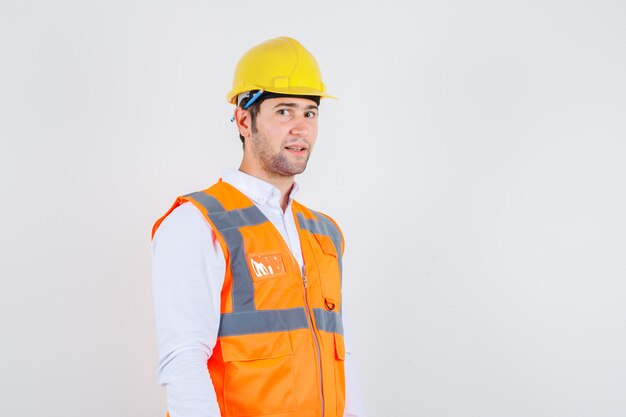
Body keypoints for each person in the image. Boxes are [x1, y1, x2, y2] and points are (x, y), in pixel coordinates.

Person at [151, 36, 367, 417]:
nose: (300, 127)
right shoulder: (197, 224)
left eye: (310, 112)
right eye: (284, 111)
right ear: (243, 119)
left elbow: (340, 357)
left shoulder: (325, 234)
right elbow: (184, 362)